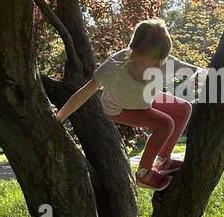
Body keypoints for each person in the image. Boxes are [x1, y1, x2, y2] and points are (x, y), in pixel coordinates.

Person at [54, 18, 196, 190]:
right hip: (118, 108)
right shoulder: (115, 67)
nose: (159, 65)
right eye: (154, 59)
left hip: (143, 99)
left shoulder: (165, 62)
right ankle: (144, 174)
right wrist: (58, 118)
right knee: (165, 124)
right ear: (135, 53)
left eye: (162, 59)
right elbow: (84, 93)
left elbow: (194, 72)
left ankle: (163, 161)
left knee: (183, 109)